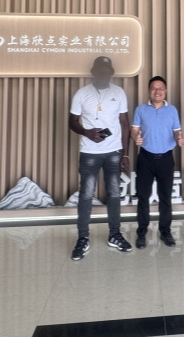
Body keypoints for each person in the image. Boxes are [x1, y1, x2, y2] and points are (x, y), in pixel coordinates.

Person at [68, 56, 132, 261]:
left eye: (107, 70)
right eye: (100, 70)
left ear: (111, 73)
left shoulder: (119, 92)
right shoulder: (82, 93)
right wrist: (86, 132)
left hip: (113, 152)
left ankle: (115, 235)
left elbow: (124, 123)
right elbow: (72, 121)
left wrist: (125, 153)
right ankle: (82, 238)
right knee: (86, 195)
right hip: (89, 152)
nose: (104, 74)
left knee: (114, 194)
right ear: (93, 72)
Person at [131, 76, 184, 249]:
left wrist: (178, 138)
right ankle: (141, 233)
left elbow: (177, 131)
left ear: (165, 90)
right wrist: (135, 138)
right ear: (149, 91)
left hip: (166, 159)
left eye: (161, 88)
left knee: (165, 197)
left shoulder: (172, 110)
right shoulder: (141, 109)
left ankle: (165, 231)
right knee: (143, 197)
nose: (157, 91)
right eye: (154, 88)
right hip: (145, 158)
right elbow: (134, 130)